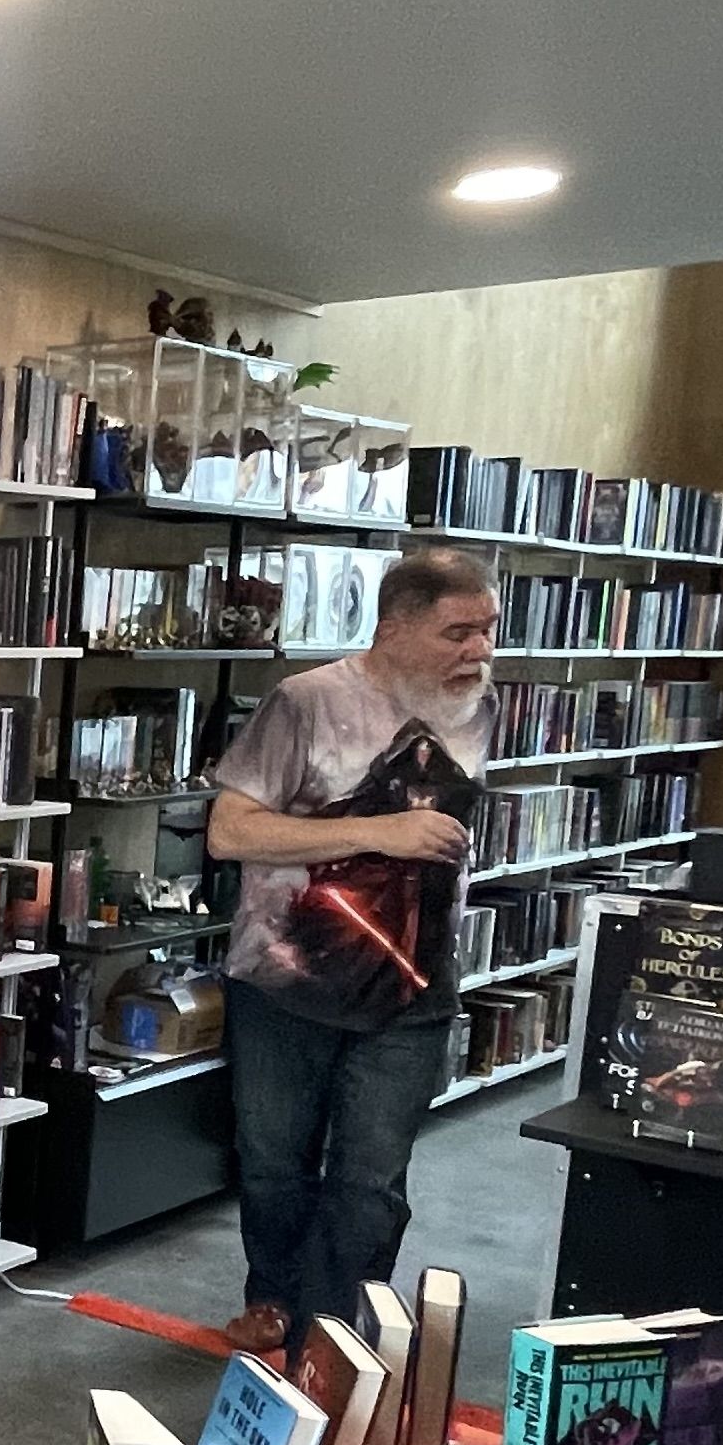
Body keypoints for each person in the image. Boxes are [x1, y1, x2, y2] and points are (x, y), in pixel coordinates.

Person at [203, 548, 496, 1353]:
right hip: (286, 977)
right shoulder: (306, 702)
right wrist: (378, 831)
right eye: (457, 633)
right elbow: (230, 832)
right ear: (394, 626)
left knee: (370, 1181)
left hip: (415, 982)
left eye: (488, 631)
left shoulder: (478, 707)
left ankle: (332, 1333)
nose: (479, 651)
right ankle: (274, 1300)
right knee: (272, 1163)